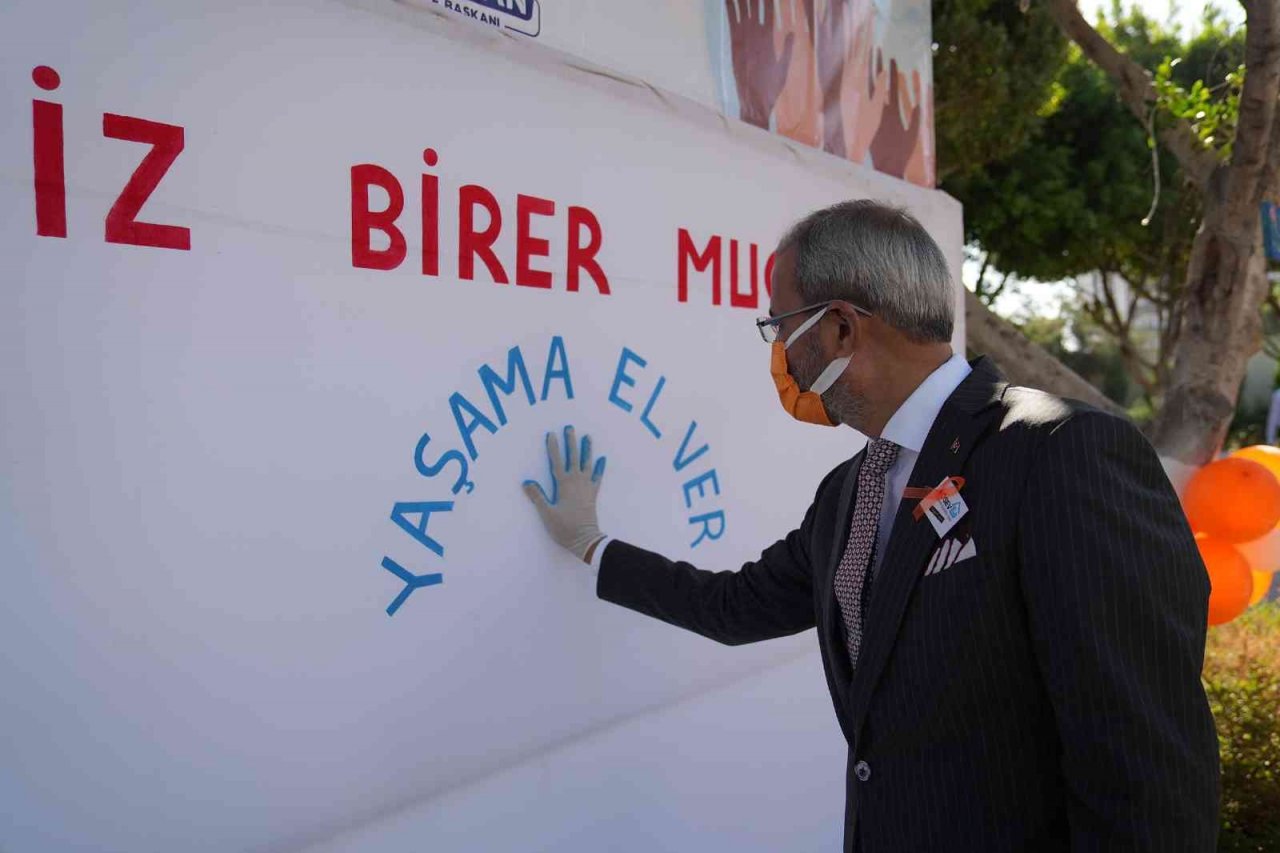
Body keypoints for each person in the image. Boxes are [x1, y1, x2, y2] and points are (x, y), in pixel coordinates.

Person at [522, 200, 1220, 853]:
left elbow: (1143, 758)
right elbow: (732, 606)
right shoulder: (846, 494)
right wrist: (592, 544)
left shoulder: (1059, 451)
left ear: (841, 327)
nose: (780, 358)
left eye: (779, 327)